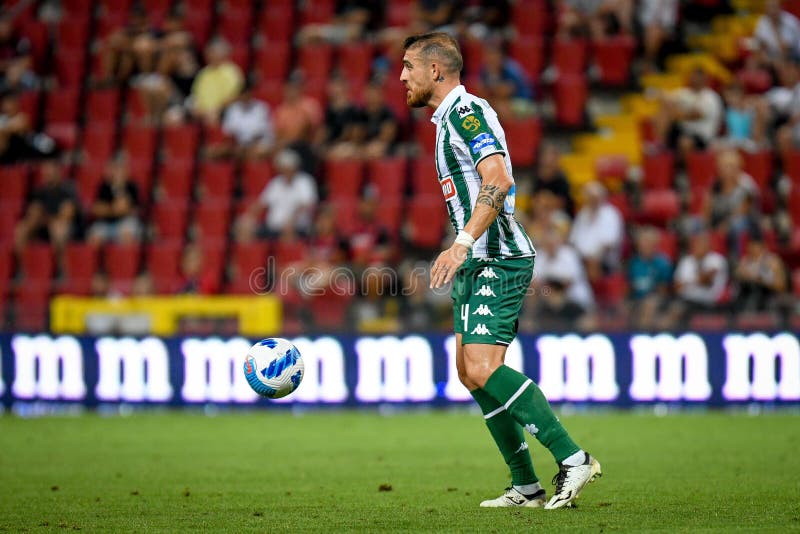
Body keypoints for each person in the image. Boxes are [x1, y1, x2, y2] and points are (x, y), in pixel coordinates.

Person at [400, 32, 600, 510]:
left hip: (499, 255)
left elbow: (499, 178)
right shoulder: (446, 121)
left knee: (485, 366)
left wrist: (462, 243)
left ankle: (574, 459)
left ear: (435, 71)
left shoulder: (468, 113)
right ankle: (526, 486)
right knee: (470, 373)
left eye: (408, 66)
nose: (402, 76)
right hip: (478, 259)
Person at [234, 149, 318, 241]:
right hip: (273, 226)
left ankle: (287, 254)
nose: (285, 171)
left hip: (297, 225)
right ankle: (250, 255)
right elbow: (261, 204)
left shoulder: (305, 181)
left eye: (288, 168)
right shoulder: (276, 182)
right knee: (245, 227)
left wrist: (292, 219)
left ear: (294, 167)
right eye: (282, 168)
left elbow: (307, 204)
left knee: (288, 229)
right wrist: (248, 216)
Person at [87, 156, 142, 245]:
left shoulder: (132, 187)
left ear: (126, 171)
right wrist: (114, 209)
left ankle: (124, 258)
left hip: (126, 222)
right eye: (115, 168)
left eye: (120, 169)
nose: (117, 172)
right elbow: (97, 209)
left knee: (127, 233)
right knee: (94, 236)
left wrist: (111, 209)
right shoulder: (104, 186)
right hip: (106, 222)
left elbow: (133, 209)